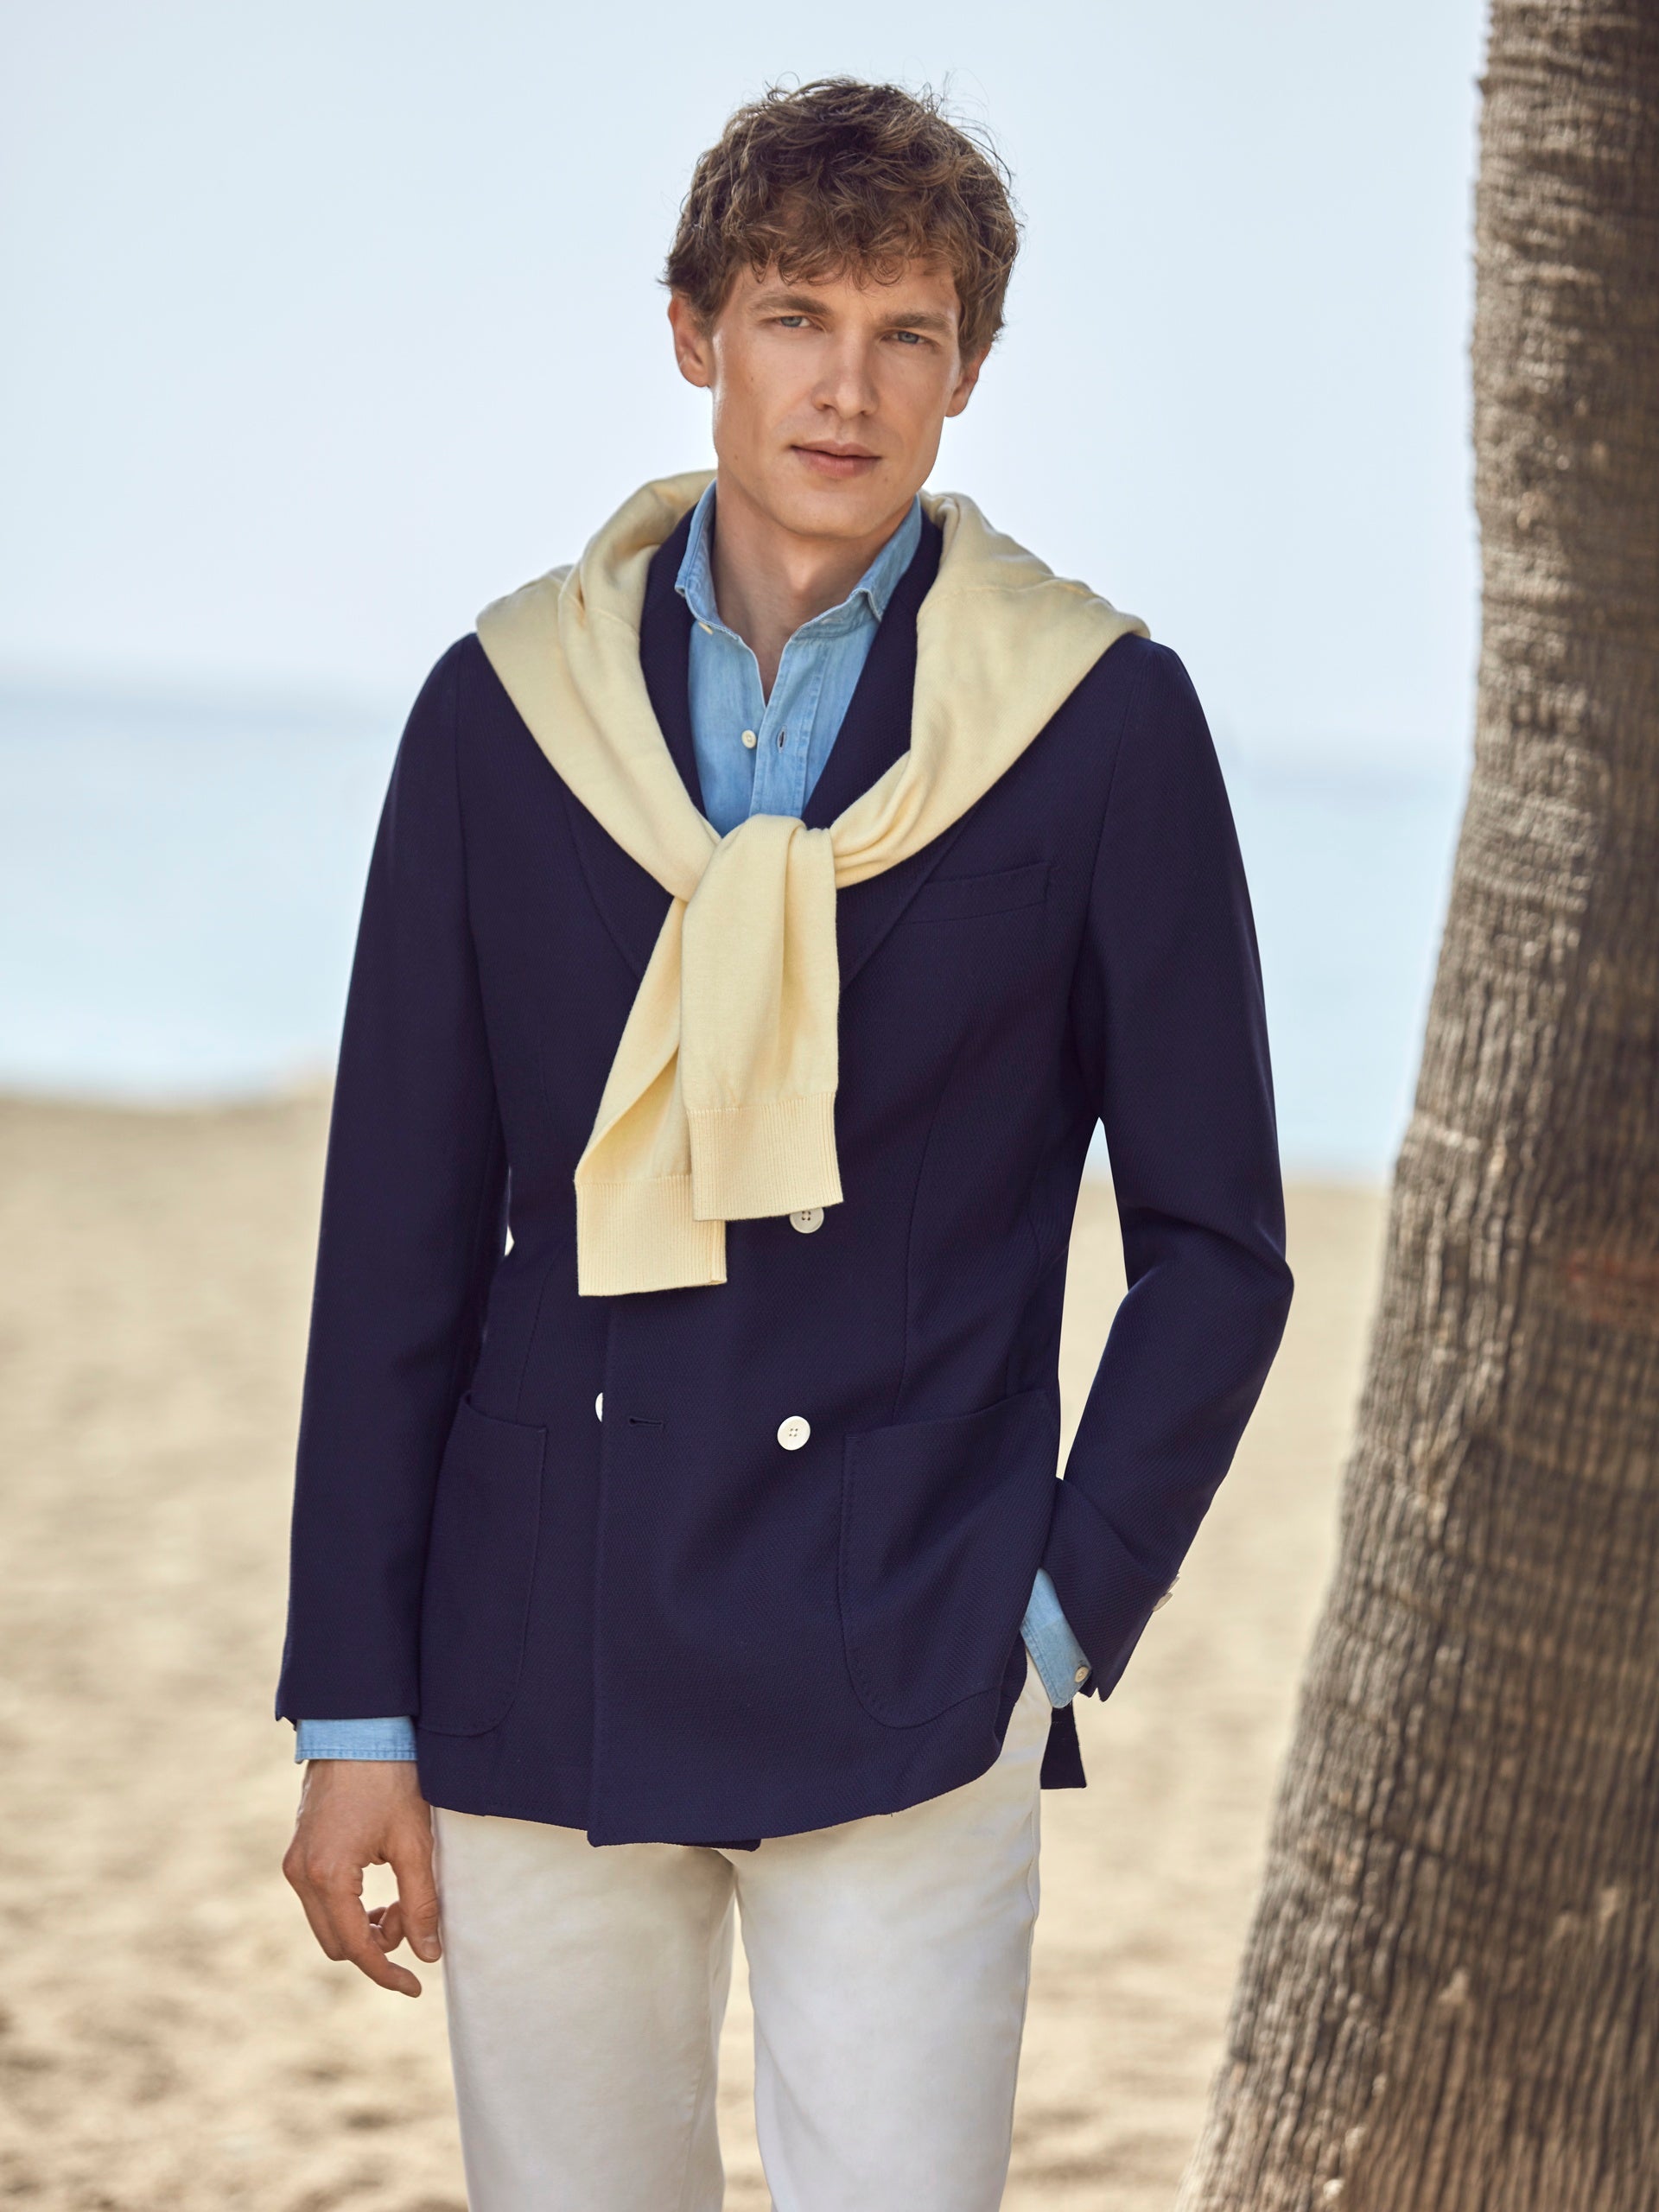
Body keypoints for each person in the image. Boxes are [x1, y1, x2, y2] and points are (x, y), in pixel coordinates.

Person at [276, 74, 1293, 2212]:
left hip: (918, 1642)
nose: (849, 386)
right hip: (542, 1632)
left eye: (907, 332)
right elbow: (397, 1245)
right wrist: (353, 1712)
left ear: (968, 371)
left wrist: (1052, 1623)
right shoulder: (504, 711)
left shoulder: (1095, 719)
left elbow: (1216, 1243)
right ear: (694, 336)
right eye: (795, 318)